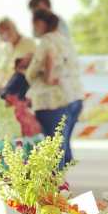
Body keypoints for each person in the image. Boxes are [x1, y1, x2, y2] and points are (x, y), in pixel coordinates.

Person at [26, 10, 84, 167]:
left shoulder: (46, 41)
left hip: (51, 101)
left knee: (52, 151)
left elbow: (34, 70)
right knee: (61, 148)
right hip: (73, 97)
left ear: (40, 23)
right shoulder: (66, 41)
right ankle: (61, 188)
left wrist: (35, 72)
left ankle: (54, 189)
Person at [0, 18, 36, 91]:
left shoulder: (29, 43)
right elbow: (3, 71)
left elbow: (35, 68)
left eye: (8, 29)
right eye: (1, 33)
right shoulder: (7, 48)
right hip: (6, 87)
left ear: (13, 28)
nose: (6, 34)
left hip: (24, 86)